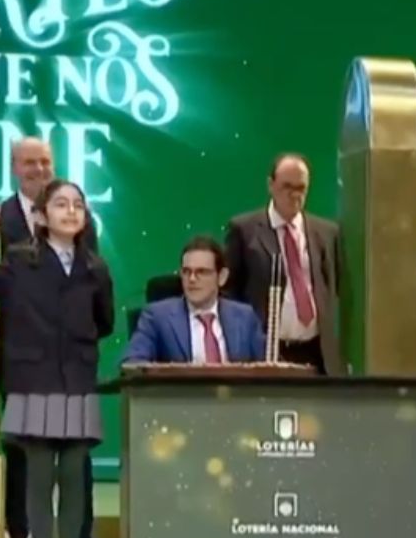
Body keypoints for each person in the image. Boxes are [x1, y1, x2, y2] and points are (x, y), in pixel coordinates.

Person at [0, 179, 115, 538]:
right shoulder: (19, 262)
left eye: (77, 205)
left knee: (75, 478)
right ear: (42, 217)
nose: (70, 211)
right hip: (33, 380)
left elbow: (105, 322)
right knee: (40, 477)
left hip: (77, 379)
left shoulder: (95, 268)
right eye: (60, 204)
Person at [0, 138, 104, 538]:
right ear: (14, 168)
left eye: (45, 162)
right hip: (25, 362)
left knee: (77, 464)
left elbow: (103, 312)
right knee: (30, 462)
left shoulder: (86, 232)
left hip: (73, 368)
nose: (38, 169)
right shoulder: (1, 221)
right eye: (29, 163)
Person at [223, 153, 342, 374]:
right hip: (265, 350)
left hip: (317, 352)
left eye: (301, 188)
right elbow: (229, 293)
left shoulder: (327, 233)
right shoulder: (244, 230)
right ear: (271, 185)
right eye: (287, 186)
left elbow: (336, 287)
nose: (294, 195)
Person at [124, 236, 266, 364]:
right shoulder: (157, 317)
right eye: (186, 272)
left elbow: (266, 367)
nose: (191, 279)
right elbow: (132, 362)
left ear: (222, 277)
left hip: (236, 393)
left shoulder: (244, 316)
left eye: (202, 272)